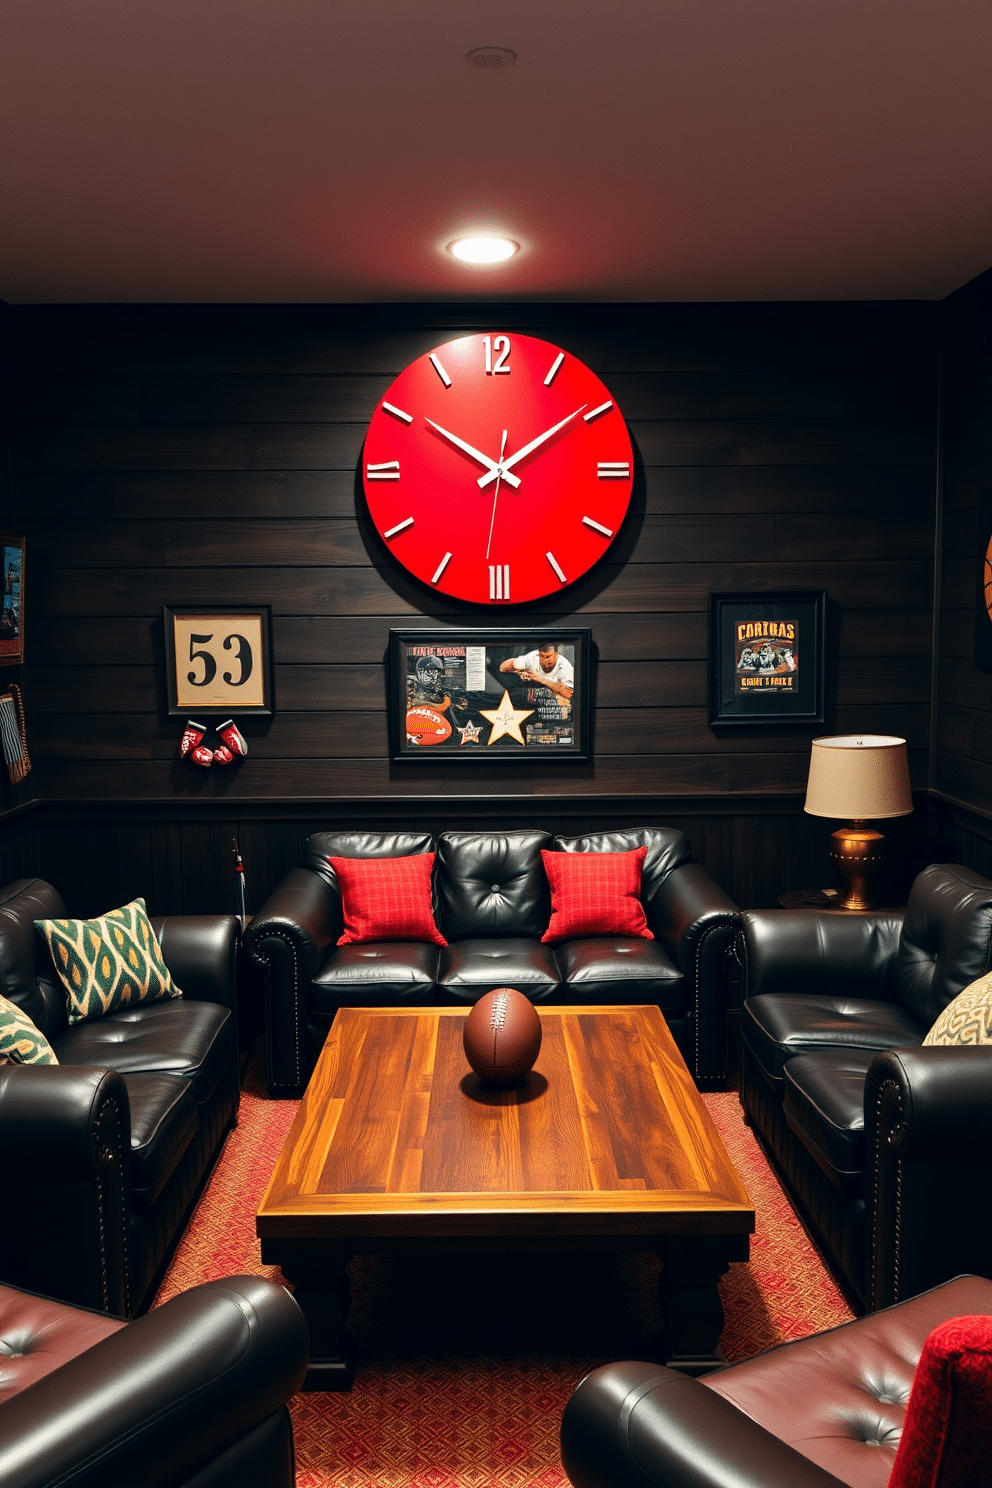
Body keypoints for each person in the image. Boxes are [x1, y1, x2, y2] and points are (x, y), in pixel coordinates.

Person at [500, 642, 573, 701]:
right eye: (542, 656)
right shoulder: (531, 659)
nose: (545, 661)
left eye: (548, 657)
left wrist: (540, 679)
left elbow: (569, 694)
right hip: (530, 694)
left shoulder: (565, 667)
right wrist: (520, 671)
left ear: (556, 655)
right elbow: (502, 667)